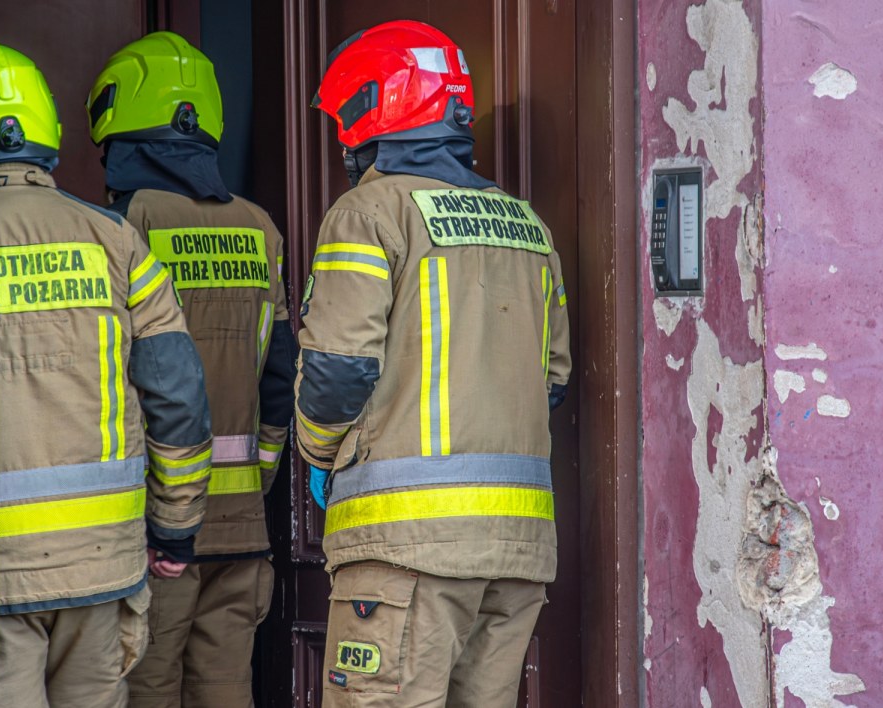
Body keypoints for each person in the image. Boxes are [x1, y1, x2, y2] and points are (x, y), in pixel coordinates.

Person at [296, 20, 572, 707]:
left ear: (370, 109)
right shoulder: (525, 223)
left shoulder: (368, 212)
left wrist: (320, 454)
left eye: (343, 120)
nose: (341, 140)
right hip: (516, 554)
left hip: (404, 551)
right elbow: (554, 380)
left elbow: (337, 369)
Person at [0, 38, 213, 708]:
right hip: (105, 565)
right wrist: (175, 528)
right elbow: (177, 393)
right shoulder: (116, 240)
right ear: (50, 135)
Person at [86, 31, 297, 708]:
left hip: (154, 536)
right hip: (243, 535)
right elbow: (281, 375)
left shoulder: (122, 226)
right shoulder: (260, 227)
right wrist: (253, 482)